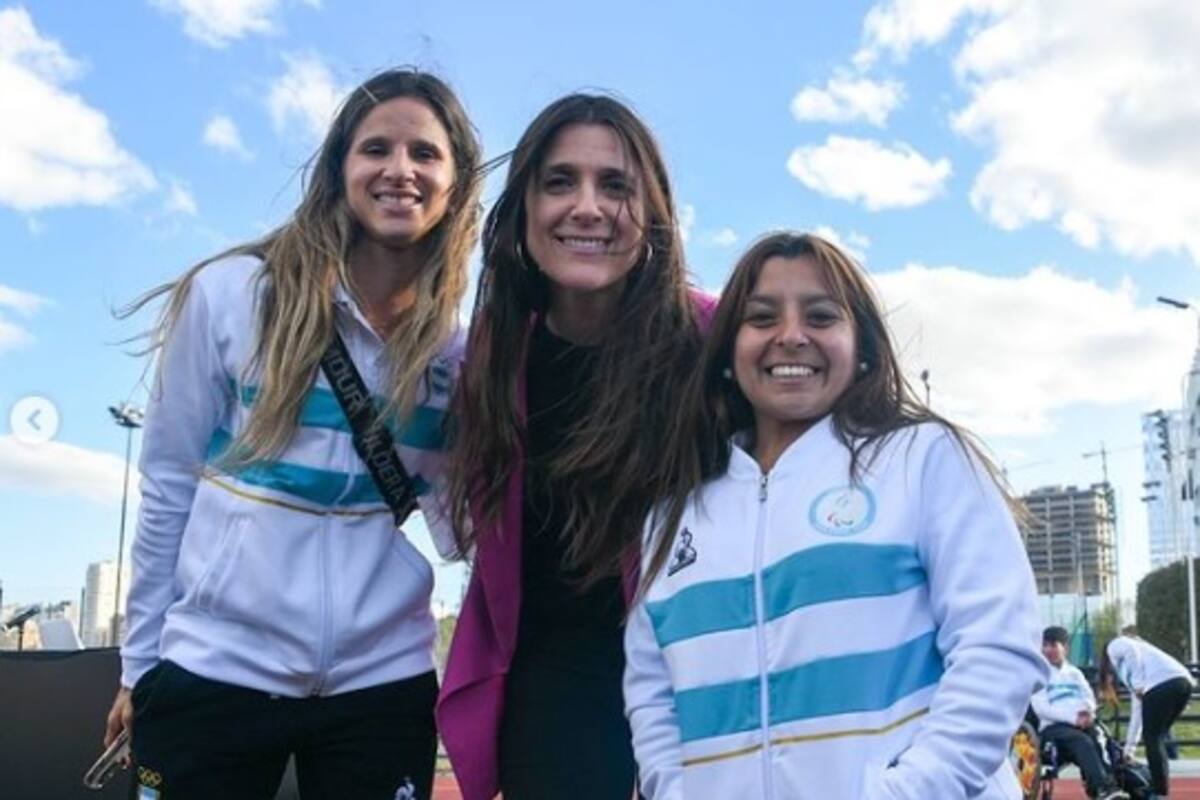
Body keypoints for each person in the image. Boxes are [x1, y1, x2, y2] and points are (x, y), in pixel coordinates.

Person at [101, 68, 483, 799]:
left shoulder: (457, 357)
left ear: (456, 183)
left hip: (383, 681)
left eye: (425, 154)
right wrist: (142, 667)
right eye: (376, 148)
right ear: (340, 171)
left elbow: (462, 529)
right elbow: (169, 483)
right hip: (216, 669)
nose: (400, 170)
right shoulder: (234, 296)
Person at [624, 232, 1047, 799]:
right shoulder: (673, 512)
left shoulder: (923, 458)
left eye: (821, 316)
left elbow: (997, 645)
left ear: (863, 346)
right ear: (728, 352)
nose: (791, 336)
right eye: (762, 317)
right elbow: (652, 695)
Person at [437, 94, 711, 800]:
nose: (586, 207)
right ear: (523, 206)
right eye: (560, 181)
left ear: (652, 210)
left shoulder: (713, 339)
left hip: (708, 678)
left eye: (615, 184)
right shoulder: (493, 358)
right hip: (554, 691)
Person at [1032, 626, 1127, 800]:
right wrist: (1073, 718)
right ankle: (1104, 789)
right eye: (1044, 645)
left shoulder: (1075, 673)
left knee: (1097, 736)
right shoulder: (1039, 673)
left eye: (1053, 645)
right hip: (1053, 729)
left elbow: (1088, 697)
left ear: (1065, 648)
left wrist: (1088, 712)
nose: (1047, 650)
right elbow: (1042, 709)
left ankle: (1104, 788)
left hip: (1080, 724)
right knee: (1082, 739)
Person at [1102, 626, 1195, 798]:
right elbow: (1138, 712)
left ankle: (1158, 791)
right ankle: (1160, 788)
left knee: (1153, 737)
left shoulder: (1114, 646)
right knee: (1156, 736)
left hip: (1164, 683)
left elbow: (1130, 649)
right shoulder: (1138, 672)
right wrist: (1129, 750)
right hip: (1183, 683)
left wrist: (1137, 683)